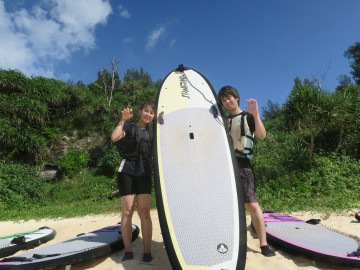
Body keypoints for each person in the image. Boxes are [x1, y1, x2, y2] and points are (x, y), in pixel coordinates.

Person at [218, 86, 275, 257]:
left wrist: (256, 114)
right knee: (227, 206)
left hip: (242, 164)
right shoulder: (222, 121)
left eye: (229, 98)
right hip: (224, 166)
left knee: (251, 204)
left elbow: (262, 135)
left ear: (236, 98)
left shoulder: (248, 117)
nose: (227, 102)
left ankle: (263, 244)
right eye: (223, 100)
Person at [111, 102, 156, 262]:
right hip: (127, 170)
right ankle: (128, 251)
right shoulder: (129, 127)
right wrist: (122, 120)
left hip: (144, 172)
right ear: (140, 111)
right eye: (146, 111)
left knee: (144, 212)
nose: (148, 114)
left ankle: (147, 252)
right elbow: (114, 137)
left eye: (151, 112)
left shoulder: (154, 133)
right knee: (127, 211)